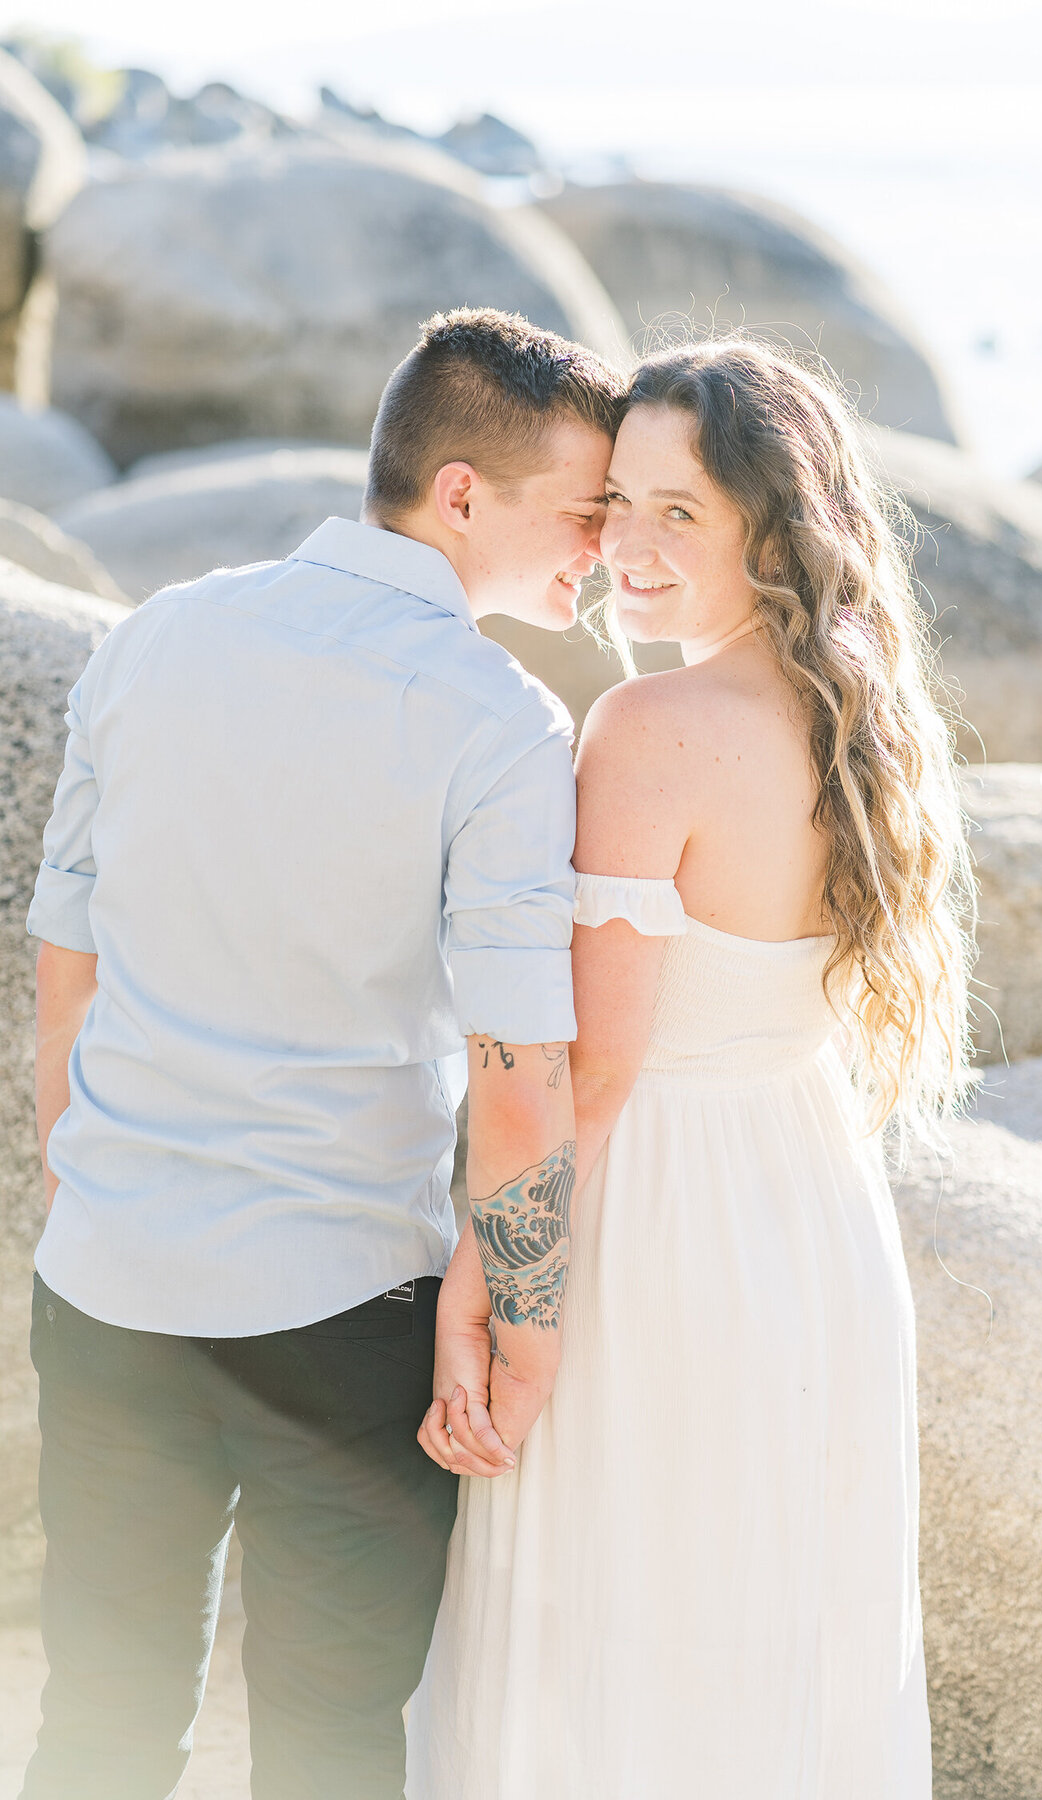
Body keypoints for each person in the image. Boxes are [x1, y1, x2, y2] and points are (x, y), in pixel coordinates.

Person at [22, 307, 623, 1800]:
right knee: (334, 1751)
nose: (605, 554)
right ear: (465, 495)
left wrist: (87, 1190)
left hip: (109, 1283)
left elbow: (65, 965)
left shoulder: (156, 634)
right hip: (346, 1308)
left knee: (98, 1715)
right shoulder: (502, 724)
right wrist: (525, 1335)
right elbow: (516, 1071)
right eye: (585, 512)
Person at [409, 339, 975, 1799]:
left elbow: (587, 1073)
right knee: (773, 1628)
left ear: (770, 533)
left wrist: (485, 1284)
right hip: (810, 1202)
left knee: (610, 1625)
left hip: (662, 1217)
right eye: (617, 506)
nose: (628, 553)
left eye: (683, 514)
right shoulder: (865, 713)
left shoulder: (647, 727)